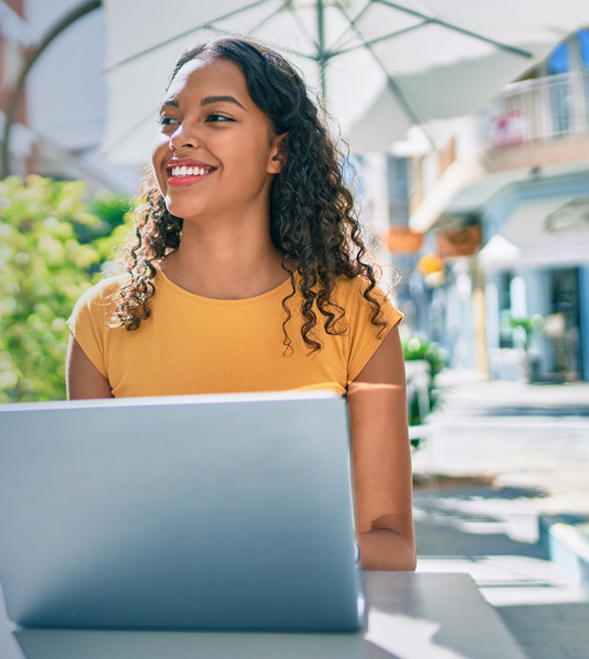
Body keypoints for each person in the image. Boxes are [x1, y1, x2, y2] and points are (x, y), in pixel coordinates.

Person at [65, 38, 415, 571]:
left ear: (279, 151)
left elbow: (391, 545)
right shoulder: (104, 317)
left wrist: (265, 550)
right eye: (169, 120)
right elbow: (89, 530)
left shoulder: (357, 316)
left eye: (217, 118)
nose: (179, 138)